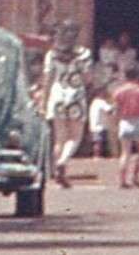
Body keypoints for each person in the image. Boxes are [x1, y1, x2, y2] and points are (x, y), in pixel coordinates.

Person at [40, 23, 91, 186]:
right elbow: (87, 78)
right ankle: (63, 162)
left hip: (57, 96)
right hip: (76, 96)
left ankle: (56, 171)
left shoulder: (52, 54)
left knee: (59, 138)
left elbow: (47, 80)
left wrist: (43, 101)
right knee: (75, 136)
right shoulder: (84, 54)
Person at [113, 62, 139, 189]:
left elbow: (115, 110)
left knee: (125, 153)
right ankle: (135, 176)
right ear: (138, 75)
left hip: (124, 122)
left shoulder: (118, 92)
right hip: (137, 121)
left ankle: (122, 180)